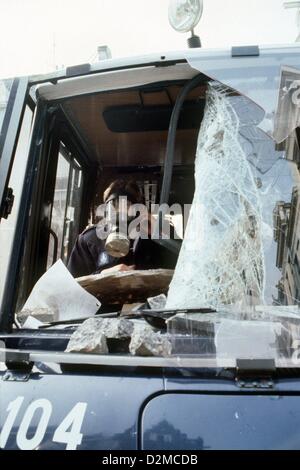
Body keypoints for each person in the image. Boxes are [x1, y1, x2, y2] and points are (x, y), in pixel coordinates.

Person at [67, 179, 178, 279]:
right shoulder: (89, 240)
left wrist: (160, 233)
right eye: (114, 208)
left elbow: (180, 273)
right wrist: (101, 276)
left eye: (127, 209)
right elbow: (72, 286)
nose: (120, 218)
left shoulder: (151, 235)